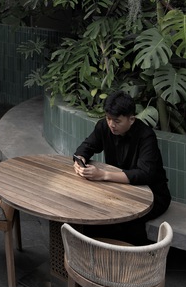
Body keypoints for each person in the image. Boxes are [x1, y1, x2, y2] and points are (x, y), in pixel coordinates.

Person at [73, 90, 171, 245]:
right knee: (90, 208)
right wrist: (80, 161)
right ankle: (93, 253)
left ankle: (133, 259)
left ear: (131, 119)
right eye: (108, 118)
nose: (111, 124)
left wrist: (103, 175)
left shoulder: (146, 136)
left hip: (152, 194)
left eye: (117, 121)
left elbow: (144, 174)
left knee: (127, 217)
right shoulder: (104, 126)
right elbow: (86, 147)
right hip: (119, 189)